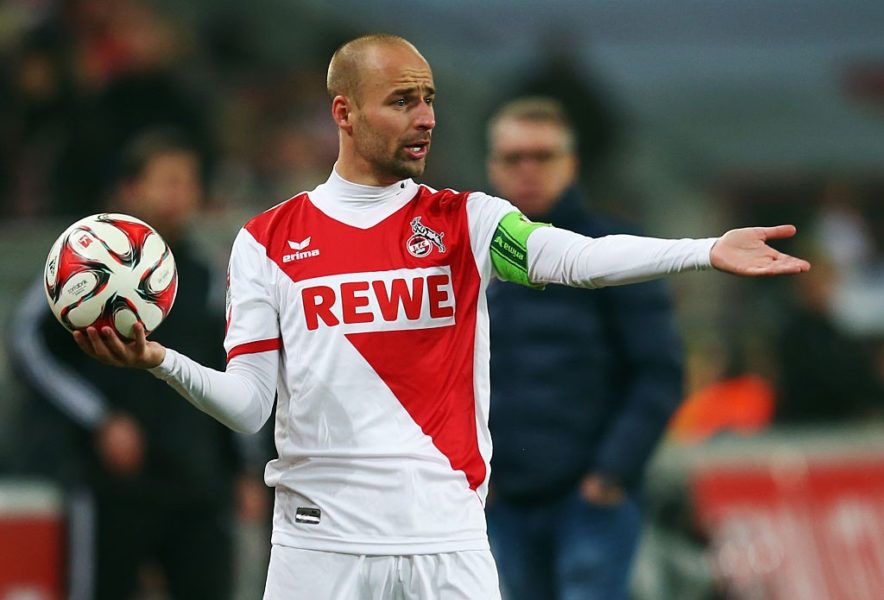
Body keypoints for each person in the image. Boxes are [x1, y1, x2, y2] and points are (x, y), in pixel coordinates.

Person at [70, 34, 810, 600]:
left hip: (448, 540)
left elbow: (578, 258)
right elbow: (247, 406)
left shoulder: (467, 222)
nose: (425, 118)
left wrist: (704, 250)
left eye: (428, 99)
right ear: (344, 113)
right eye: (402, 101)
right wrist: (161, 361)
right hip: (319, 548)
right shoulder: (266, 240)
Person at [9, 129, 265, 600]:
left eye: (188, 182)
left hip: (196, 480)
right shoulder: (80, 263)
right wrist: (100, 418)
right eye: (167, 181)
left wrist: (242, 466)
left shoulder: (209, 275)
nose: (180, 194)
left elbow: (232, 368)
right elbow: (28, 344)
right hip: (114, 482)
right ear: (130, 190)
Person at [482, 97, 685, 600]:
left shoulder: (615, 250)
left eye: (542, 156)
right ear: (493, 167)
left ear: (570, 164)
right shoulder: (469, 256)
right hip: (503, 501)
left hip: (590, 500)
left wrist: (610, 474)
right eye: (513, 158)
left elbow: (659, 373)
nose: (528, 169)